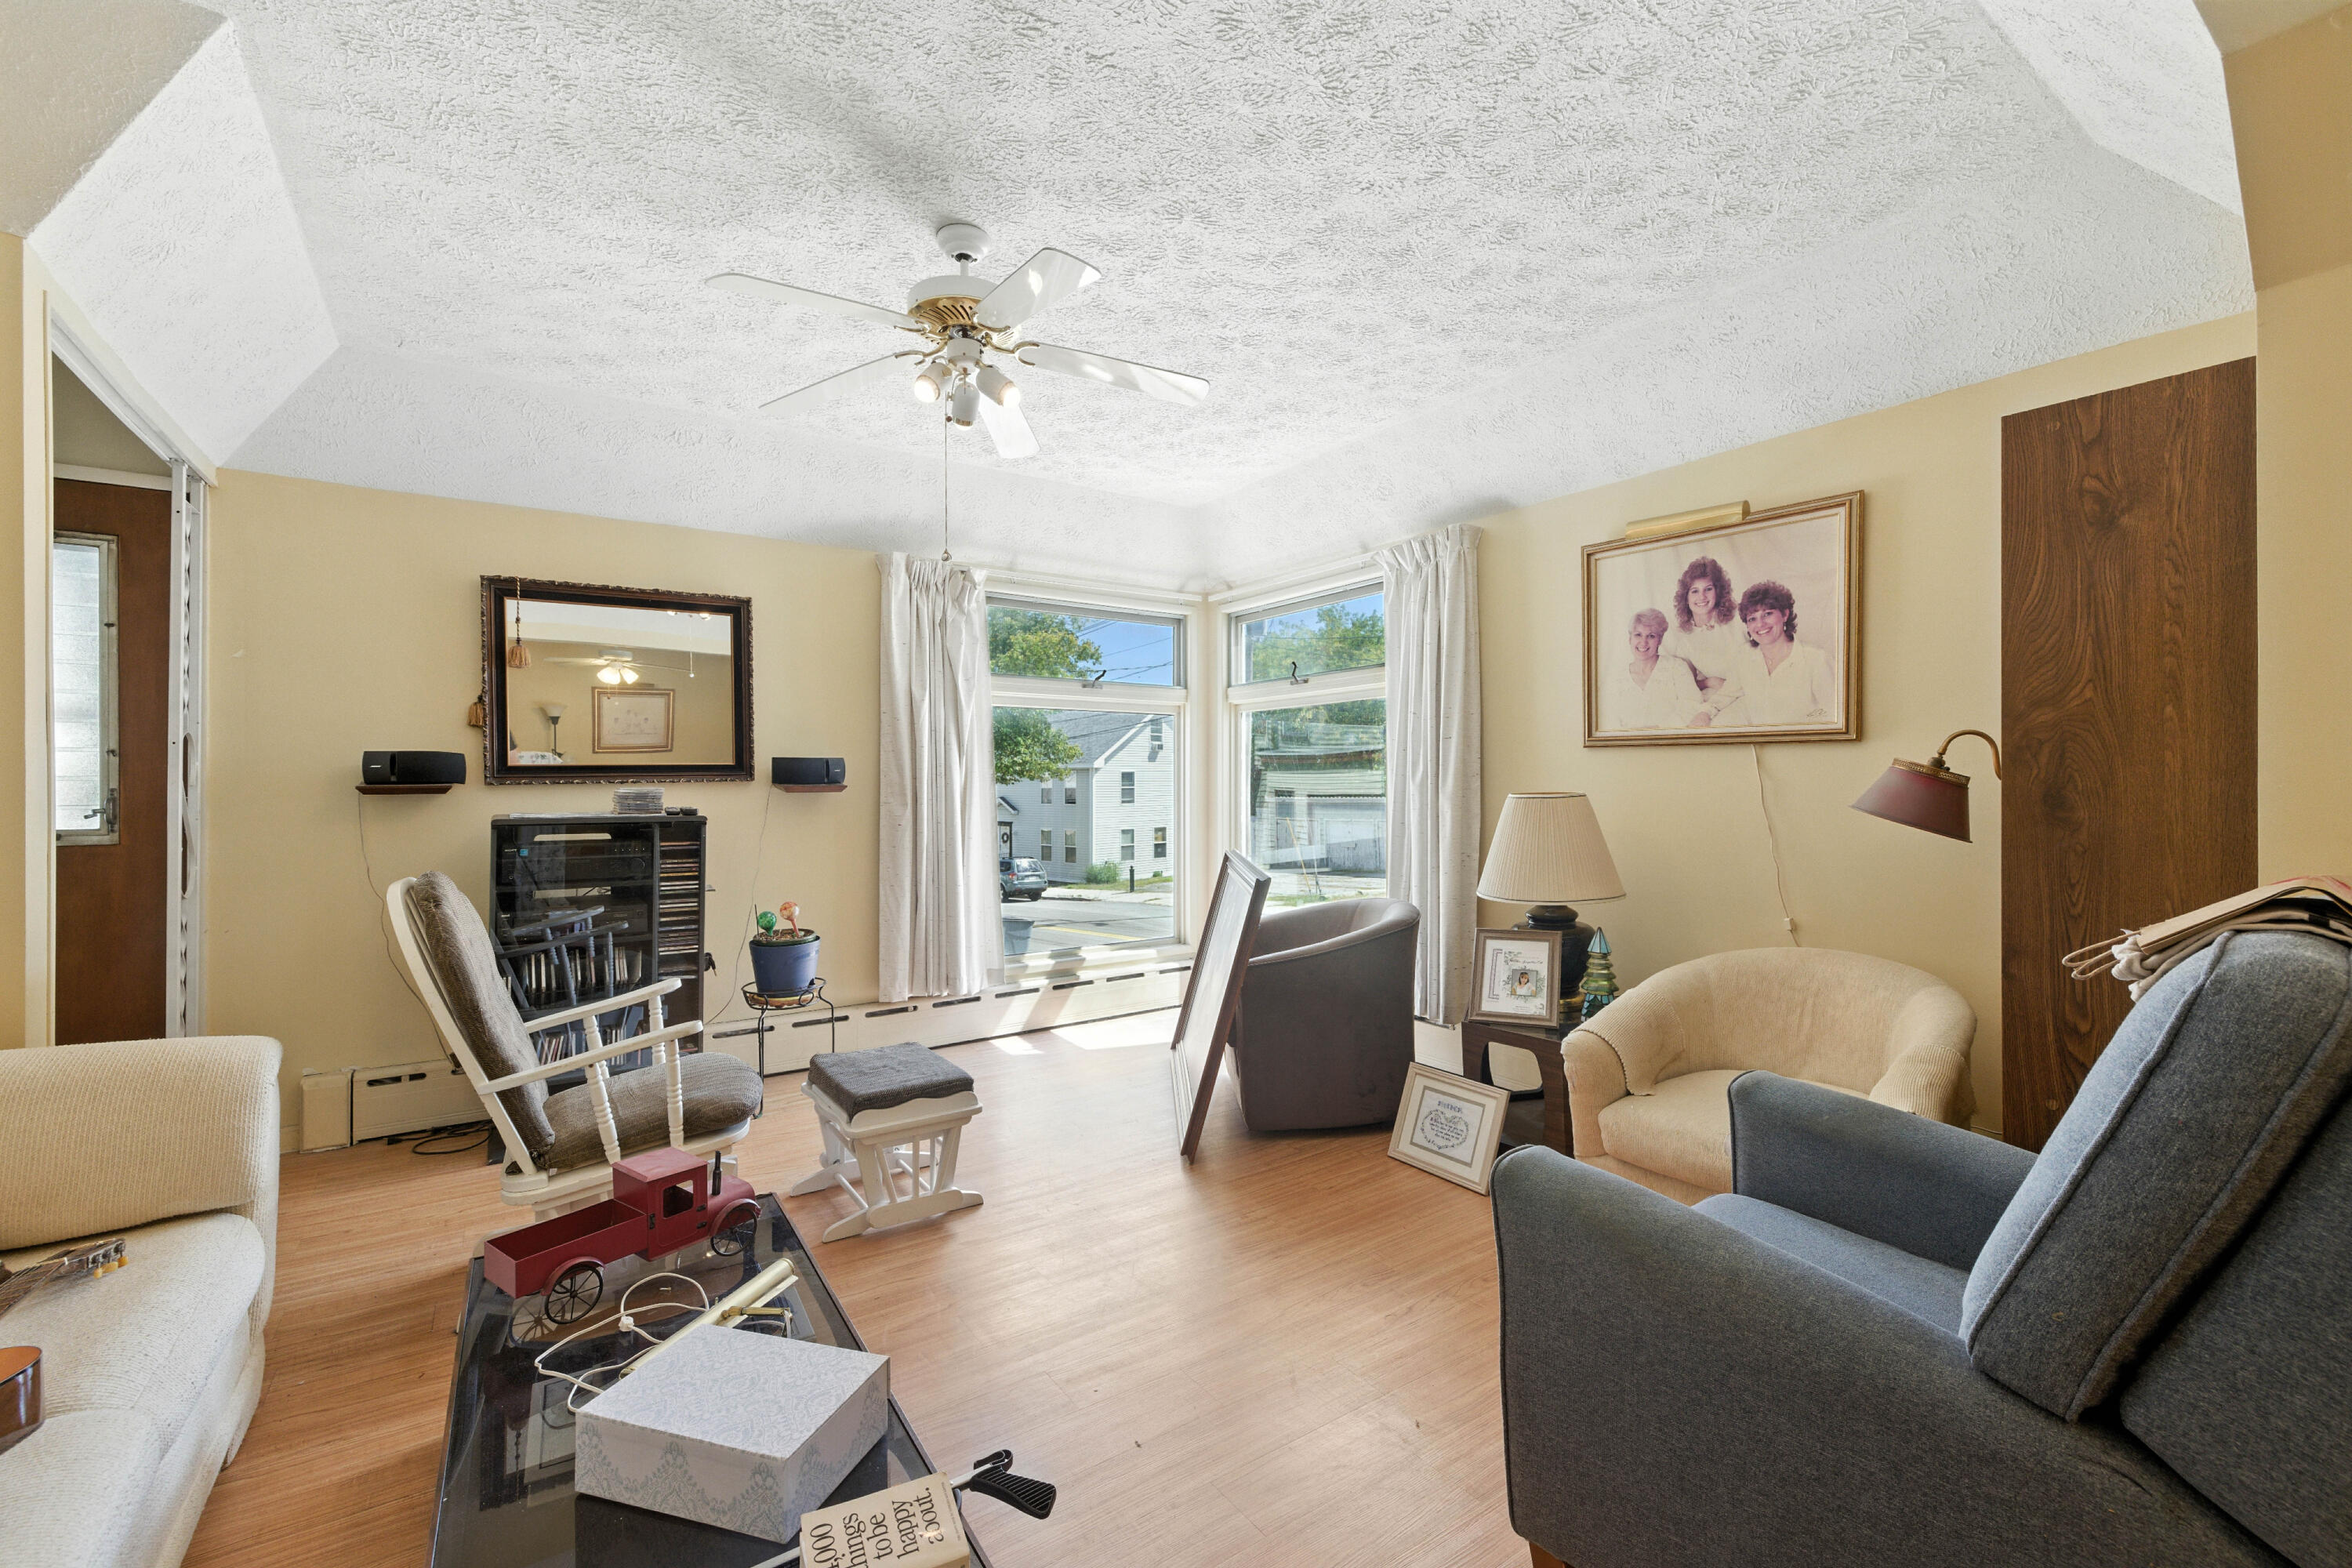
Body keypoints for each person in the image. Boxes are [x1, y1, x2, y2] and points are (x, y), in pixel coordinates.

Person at [1705, 580, 1836, 727]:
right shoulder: (1745, 656)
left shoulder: (1817, 659)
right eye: (1752, 619)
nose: (1760, 624)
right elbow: (1727, 694)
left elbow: (1835, 713)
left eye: (1767, 614)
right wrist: (1704, 713)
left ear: (1785, 614)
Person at [1663, 557, 1748, 726]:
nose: (1701, 596)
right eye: (1694, 591)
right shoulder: (1685, 638)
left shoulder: (1739, 620)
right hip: (1716, 699)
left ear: (1718, 591)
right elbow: (1685, 683)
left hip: (1748, 693)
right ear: (1685, 598)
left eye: (1708, 589)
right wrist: (1708, 682)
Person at [1600, 608, 1702, 730]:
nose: (1643, 642)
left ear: (1660, 640)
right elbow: (1607, 719)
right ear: (1630, 639)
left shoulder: (1677, 668)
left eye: (1651, 636)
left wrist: (1657, 730)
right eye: (1638, 635)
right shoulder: (1615, 677)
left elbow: (1692, 706)